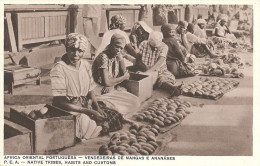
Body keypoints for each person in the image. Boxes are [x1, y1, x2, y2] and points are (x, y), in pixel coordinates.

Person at [50, 33, 106, 140]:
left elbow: (90, 90)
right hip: (68, 108)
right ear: (66, 49)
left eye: (80, 51)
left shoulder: (85, 65)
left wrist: (97, 107)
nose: (76, 54)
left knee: (111, 116)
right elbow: (59, 101)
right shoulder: (59, 68)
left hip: (84, 106)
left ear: (84, 51)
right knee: (85, 128)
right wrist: (88, 111)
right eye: (72, 49)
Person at [92, 33, 141, 115]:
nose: (118, 50)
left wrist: (121, 59)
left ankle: (108, 106)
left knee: (136, 102)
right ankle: (102, 105)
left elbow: (126, 74)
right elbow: (106, 82)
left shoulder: (116, 55)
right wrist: (121, 78)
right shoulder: (103, 57)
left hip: (111, 88)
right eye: (116, 46)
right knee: (118, 107)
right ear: (111, 44)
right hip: (99, 90)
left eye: (121, 48)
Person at [134, 31, 183, 96]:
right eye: (153, 46)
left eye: (156, 46)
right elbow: (138, 59)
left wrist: (148, 72)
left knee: (165, 78)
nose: (155, 48)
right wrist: (144, 70)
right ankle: (169, 87)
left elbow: (159, 62)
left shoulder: (164, 46)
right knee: (144, 80)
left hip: (160, 70)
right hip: (145, 68)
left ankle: (171, 87)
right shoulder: (143, 44)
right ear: (149, 40)